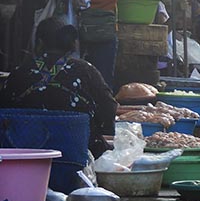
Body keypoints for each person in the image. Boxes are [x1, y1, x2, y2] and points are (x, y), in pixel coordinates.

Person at [1, 17, 116, 158]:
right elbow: (108, 107)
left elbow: (4, 111)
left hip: (28, 157)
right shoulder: (86, 70)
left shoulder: (20, 73)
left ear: (39, 42)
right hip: (78, 157)